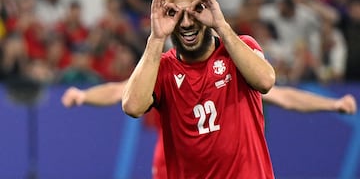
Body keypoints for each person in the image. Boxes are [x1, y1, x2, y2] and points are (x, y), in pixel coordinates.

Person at [120, 0, 276, 178]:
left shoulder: (240, 48)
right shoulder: (163, 68)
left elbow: (265, 81)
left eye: (196, 10)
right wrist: (156, 38)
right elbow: (132, 106)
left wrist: (221, 25)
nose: (186, 23)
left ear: (210, 8)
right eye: (174, 13)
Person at [61, 81, 357, 179]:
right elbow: (118, 91)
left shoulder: (229, 75)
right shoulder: (166, 73)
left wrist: (332, 105)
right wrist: (84, 96)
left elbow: (284, 95)